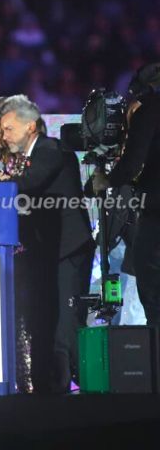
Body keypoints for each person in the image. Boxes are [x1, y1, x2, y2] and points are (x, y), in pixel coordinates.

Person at [0, 94, 93, 394]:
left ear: (30, 127)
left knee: (66, 318)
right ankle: (50, 384)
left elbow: (29, 183)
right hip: (48, 249)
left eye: (9, 129)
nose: (4, 136)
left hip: (69, 248)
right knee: (48, 315)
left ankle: (64, 385)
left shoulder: (51, 150)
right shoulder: (31, 156)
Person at [94, 62, 160, 328]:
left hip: (156, 214)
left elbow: (133, 163)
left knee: (153, 293)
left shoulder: (151, 109)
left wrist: (107, 180)